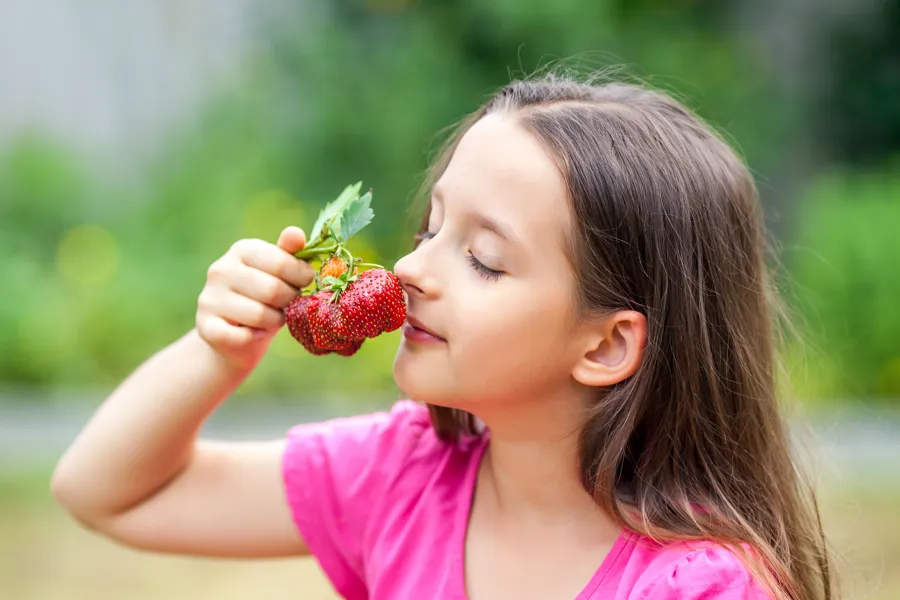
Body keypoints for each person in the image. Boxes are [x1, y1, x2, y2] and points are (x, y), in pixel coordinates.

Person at [51, 73, 833, 600]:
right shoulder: (405, 479)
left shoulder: (695, 587)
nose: (411, 269)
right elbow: (103, 492)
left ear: (604, 346)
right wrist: (218, 353)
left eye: (484, 261)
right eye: (430, 226)